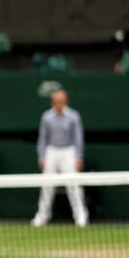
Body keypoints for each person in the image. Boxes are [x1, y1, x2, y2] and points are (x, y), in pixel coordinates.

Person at [32, 87, 88, 228]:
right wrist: (41, 157)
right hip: (51, 151)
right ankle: (42, 215)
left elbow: (78, 138)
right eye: (57, 101)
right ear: (52, 102)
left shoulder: (74, 116)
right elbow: (43, 139)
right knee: (47, 185)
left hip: (68, 151)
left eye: (62, 101)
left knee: (73, 184)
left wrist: (78, 157)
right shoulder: (46, 117)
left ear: (66, 101)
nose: (59, 104)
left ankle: (80, 215)